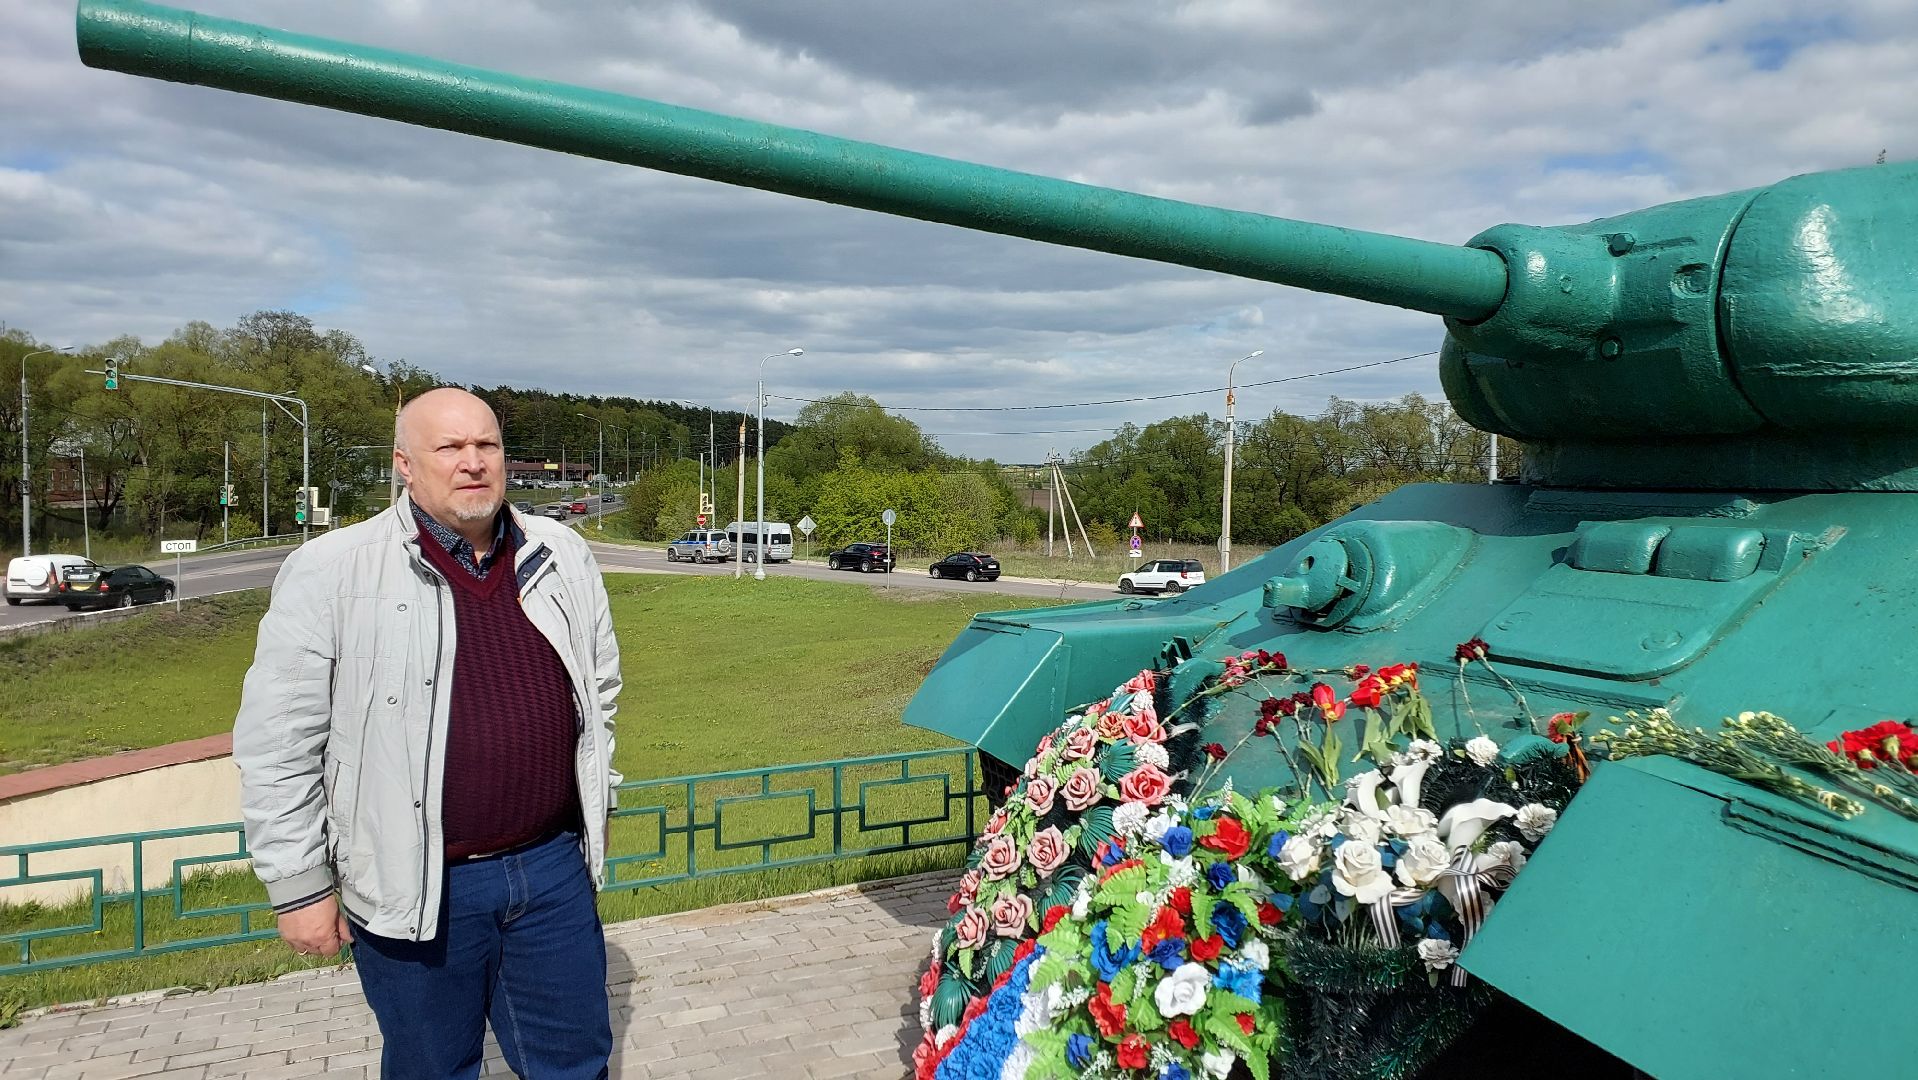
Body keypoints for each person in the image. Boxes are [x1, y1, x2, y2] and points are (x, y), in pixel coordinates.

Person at [233, 387, 622, 1079]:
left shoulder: (560, 552)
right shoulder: (333, 571)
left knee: (575, 1062)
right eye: (450, 448)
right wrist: (299, 885)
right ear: (406, 464)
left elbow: (600, 692)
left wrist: (600, 801)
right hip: (417, 884)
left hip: (551, 868)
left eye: (487, 445)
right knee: (432, 1068)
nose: (472, 462)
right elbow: (278, 744)